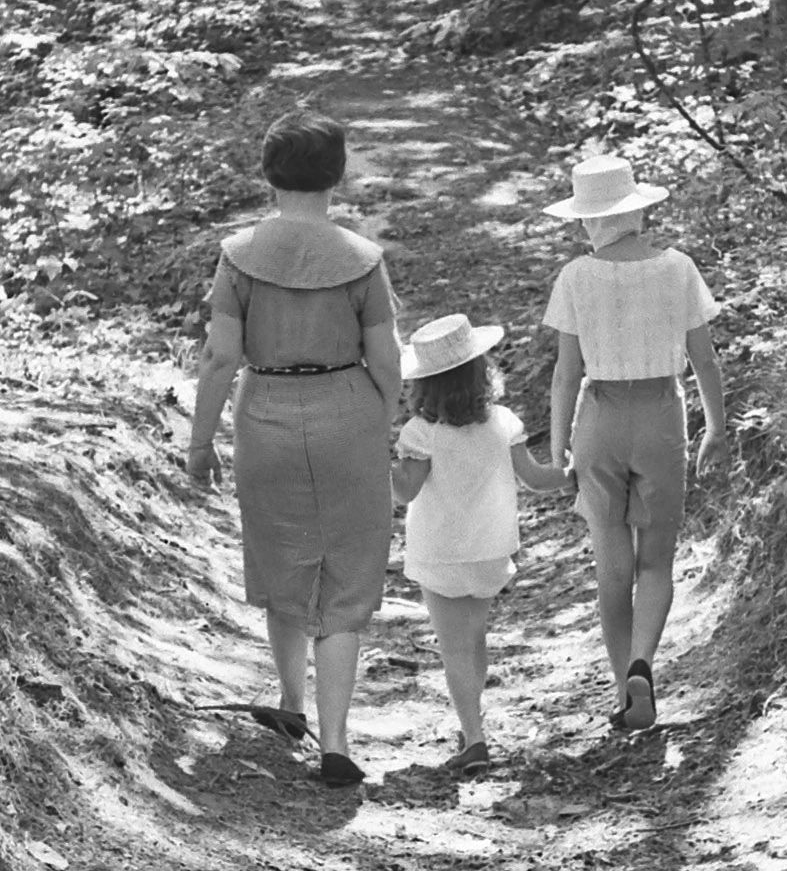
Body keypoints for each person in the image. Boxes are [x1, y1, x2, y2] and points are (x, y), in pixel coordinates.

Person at [188, 109, 401, 789]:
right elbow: (387, 359)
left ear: (268, 174)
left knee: (281, 560)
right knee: (345, 582)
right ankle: (336, 743)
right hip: (348, 412)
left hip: (267, 413)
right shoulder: (362, 259)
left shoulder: (238, 256)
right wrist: (382, 423)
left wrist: (200, 441)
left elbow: (221, 359)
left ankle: (290, 704)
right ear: (337, 176)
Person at [542, 155, 727, 734]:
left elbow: (566, 374)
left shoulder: (576, 276)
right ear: (638, 210)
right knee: (656, 562)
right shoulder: (677, 269)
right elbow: (705, 358)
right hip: (660, 417)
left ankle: (624, 686)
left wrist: (557, 445)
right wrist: (717, 427)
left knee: (612, 566)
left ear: (589, 221)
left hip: (599, 420)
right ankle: (645, 662)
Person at [391, 314, 570, 776]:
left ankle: (474, 737)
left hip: (440, 553)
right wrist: (574, 469)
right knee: (474, 638)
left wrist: (376, 464)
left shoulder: (421, 433)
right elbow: (534, 479)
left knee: (453, 647)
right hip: (491, 550)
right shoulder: (504, 423)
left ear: (424, 386)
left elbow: (404, 492)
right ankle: (474, 717)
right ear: (480, 372)